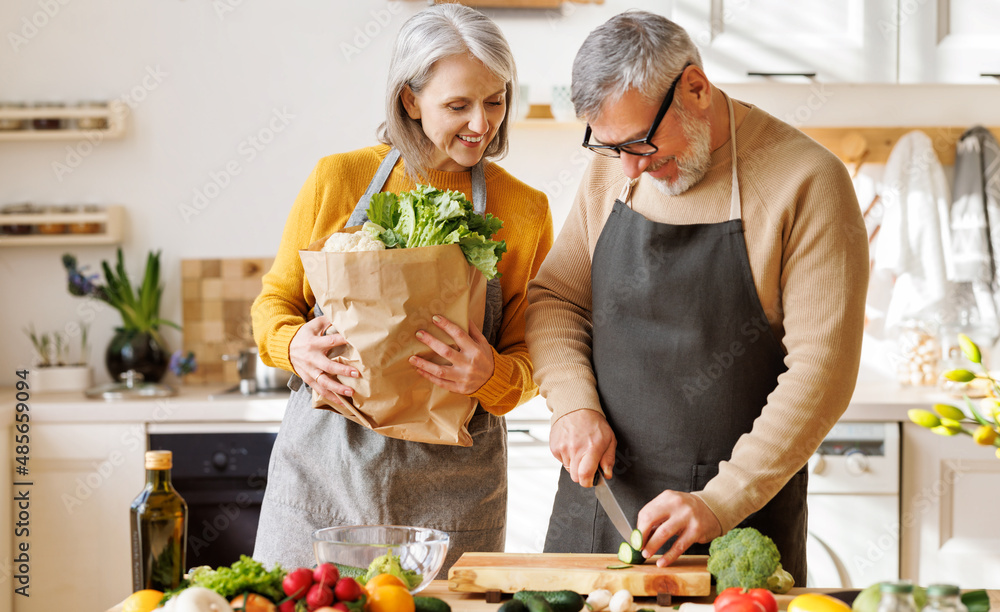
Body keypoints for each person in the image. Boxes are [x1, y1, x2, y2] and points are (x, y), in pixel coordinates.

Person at [524, 10, 868, 584]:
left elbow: (822, 371)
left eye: (642, 144)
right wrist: (572, 403)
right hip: (597, 507)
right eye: (612, 148)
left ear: (696, 88)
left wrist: (719, 500)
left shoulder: (806, 182)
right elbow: (557, 298)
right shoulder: (616, 169)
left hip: (737, 524)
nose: (631, 165)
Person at [251, 4, 553, 572]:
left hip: (455, 484)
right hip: (325, 467)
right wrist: (292, 346)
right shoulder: (338, 179)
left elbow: (531, 353)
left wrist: (494, 376)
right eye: (458, 105)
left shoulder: (526, 209)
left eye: (496, 100)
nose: (481, 124)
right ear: (410, 101)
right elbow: (275, 301)